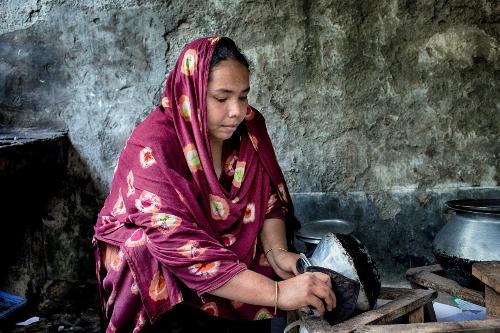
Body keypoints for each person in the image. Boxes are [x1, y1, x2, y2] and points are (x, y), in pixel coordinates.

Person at [93, 36, 336, 333]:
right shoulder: (153, 147)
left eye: (243, 96)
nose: (236, 111)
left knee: (258, 248)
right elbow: (177, 242)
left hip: (218, 250)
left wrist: (276, 251)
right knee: (144, 252)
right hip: (171, 258)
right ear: (192, 95)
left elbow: (266, 196)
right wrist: (278, 294)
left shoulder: (247, 129)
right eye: (222, 98)